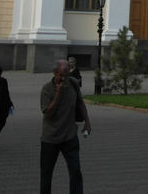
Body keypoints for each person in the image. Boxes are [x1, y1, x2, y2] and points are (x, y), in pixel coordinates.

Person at [40, 59, 91, 194]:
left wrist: (87, 122)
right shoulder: (47, 89)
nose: (64, 79)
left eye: (67, 75)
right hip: (50, 139)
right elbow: (48, 113)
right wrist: (58, 93)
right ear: (54, 73)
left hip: (70, 137)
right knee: (46, 174)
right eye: (61, 75)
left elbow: (80, 103)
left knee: (76, 172)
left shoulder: (73, 83)